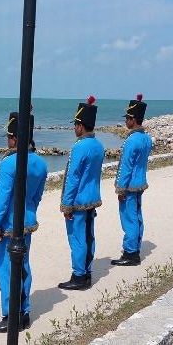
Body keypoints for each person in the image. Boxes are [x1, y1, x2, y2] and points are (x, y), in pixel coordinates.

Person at [0, 112, 47, 333]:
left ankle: (11, 314)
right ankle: (24, 312)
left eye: (9, 136)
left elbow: (0, 200)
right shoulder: (40, 163)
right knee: (24, 267)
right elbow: (37, 196)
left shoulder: (8, 164)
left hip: (8, 226)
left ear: (14, 137)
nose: (7, 140)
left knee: (6, 269)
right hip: (27, 222)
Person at [58, 96, 105, 290]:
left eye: (76, 124)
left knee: (77, 239)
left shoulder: (79, 147)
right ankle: (86, 272)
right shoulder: (98, 145)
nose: (74, 128)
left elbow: (72, 178)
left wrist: (66, 204)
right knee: (88, 237)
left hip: (77, 201)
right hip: (91, 197)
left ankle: (78, 275)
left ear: (81, 125)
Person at [112, 94, 153, 266]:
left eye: (128, 118)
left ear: (133, 119)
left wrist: (121, 188)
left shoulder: (131, 141)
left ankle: (130, 252)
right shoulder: (146, 138)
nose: (126, 122)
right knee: (137, 216)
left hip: (129, 185)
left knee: (129, 219)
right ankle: (135, 246)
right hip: (140, 182)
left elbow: (126, 167)